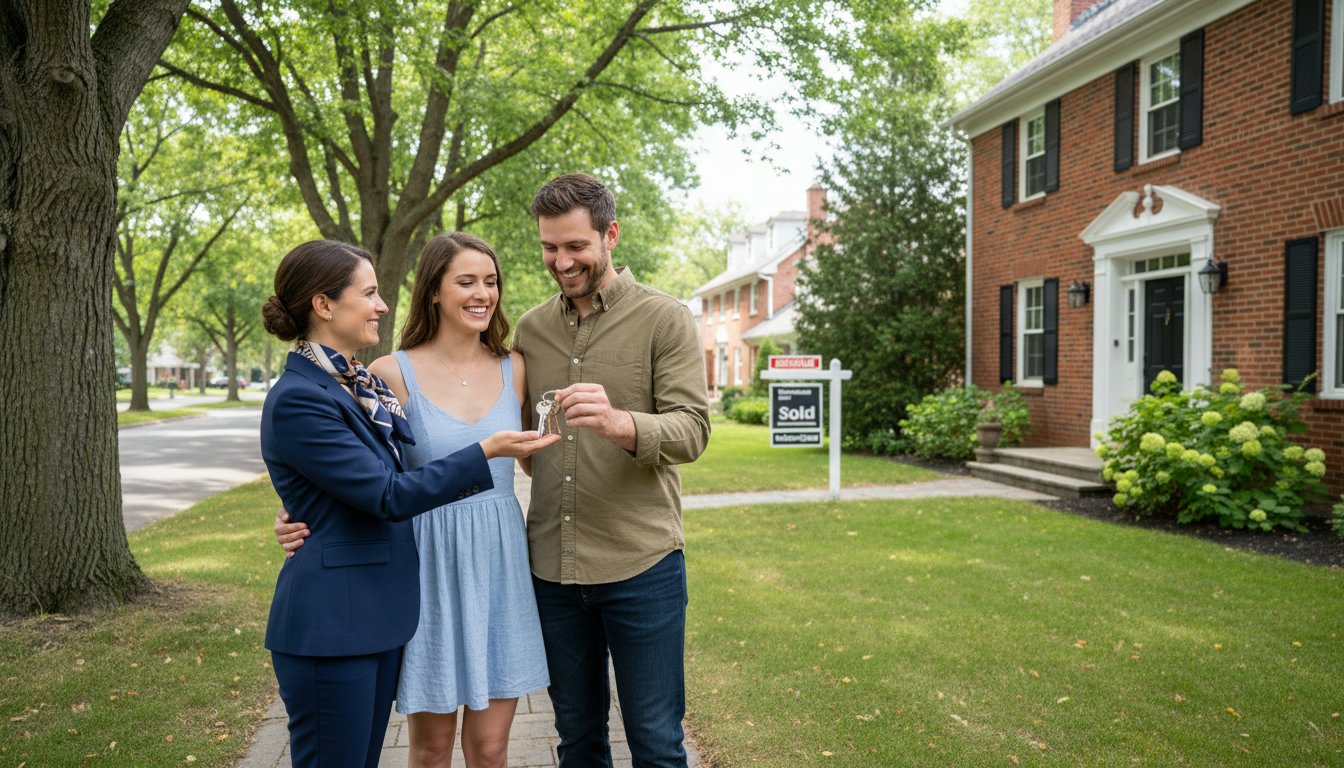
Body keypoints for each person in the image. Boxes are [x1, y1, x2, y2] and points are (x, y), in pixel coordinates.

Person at [259, 240, 557, 768]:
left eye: (491, 281)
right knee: (419, 749)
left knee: (484, 749)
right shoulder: (349, 383)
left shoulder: (355, 383)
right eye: (369, 293)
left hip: (470, 571)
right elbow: (384, 489)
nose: (381, 305)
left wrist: (304, 506)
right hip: (393, 584)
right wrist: (297, 509)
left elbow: (372, 469)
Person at [514, 173, 711, 766]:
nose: (561, 261)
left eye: (576, 246)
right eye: (550, 246)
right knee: (577, 739)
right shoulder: (530, 329)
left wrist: (623, 423)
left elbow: (693, 431)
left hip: (641, 566)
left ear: (610, 236)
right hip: (553, 568)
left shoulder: (665, 319)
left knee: (655, 740)